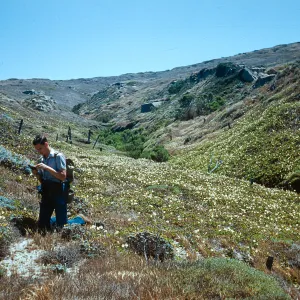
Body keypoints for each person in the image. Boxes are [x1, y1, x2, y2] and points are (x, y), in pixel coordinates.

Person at [32, 134, 69, 233]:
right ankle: (51, 222)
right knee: (42, 226)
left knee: (62, 226)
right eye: (37, 150)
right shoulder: (42, 159)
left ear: (46, 144)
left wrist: (46, 168)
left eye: (40, 148)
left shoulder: (58, 156)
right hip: (46, 191)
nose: (39, 151)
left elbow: (62, 176)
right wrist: (37, 174)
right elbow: (42, 180)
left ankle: (80, 219)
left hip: (58, 191)